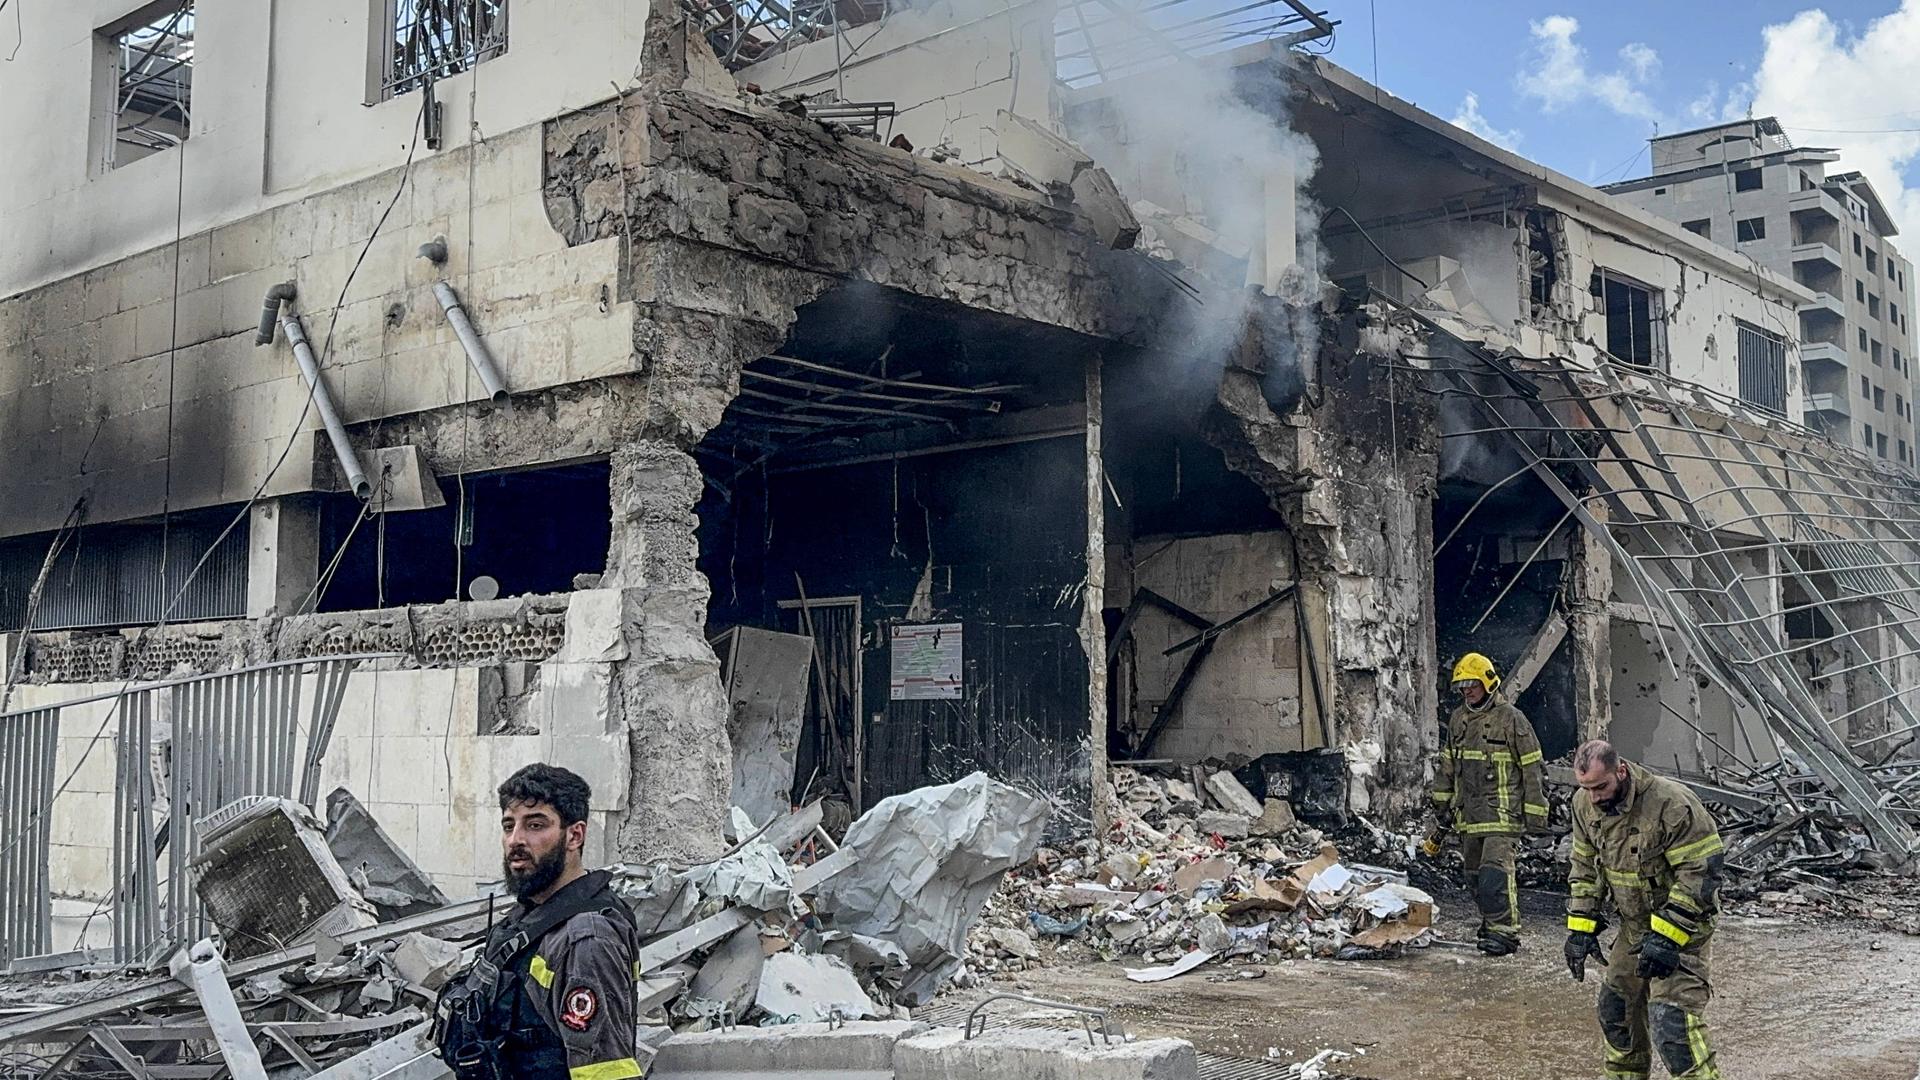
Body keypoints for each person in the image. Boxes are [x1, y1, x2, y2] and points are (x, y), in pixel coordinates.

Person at [434, 764, 644, 1080]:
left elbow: (606, 1073)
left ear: (574, 835)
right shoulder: (531, 914)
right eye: (508, 826)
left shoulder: (586, 939)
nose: (515, 840)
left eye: (535, 825)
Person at [1563, 740, 1725, 1080]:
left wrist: (1668, 937)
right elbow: (1585, 866)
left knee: (1672, 1024)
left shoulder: (1671, 803)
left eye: (1600, 786)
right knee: (1616, 1011)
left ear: (1620, 771)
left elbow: (1702, 871)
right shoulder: (1585, 804)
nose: (1594, 797)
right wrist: (1580, 927)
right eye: (1586, 788)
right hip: (1635, 927)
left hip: (1683, 929)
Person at [1429, 651, 1548, 955]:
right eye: (1462, 684)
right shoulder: (1458, 719)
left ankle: (1504, 932)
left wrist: (1535, 813)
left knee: (1495, 873)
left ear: (1488, 682)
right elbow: (1448, 763)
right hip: (1469, 815)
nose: (1467, 689)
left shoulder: (1511, 719)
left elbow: (1532, 767)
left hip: (1502, 814)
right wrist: (1441, 802)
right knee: (1474, 876)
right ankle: (1490, 921)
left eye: (1472, 683)